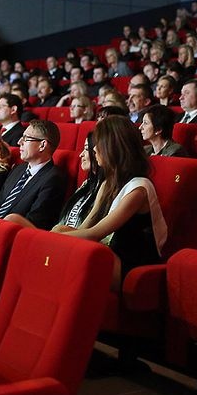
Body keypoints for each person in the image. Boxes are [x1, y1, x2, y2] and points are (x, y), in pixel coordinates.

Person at [52, 116, 167, 288]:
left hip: (129, 260)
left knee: (80, 250)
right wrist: (57, 237)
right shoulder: (107, 182)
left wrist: (52, 241)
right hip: (108, 248)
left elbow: (96, 233)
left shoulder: (139, 188)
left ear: (113, 148)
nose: (95, 149)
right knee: (60, 229)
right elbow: (87, 226)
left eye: (99, 144)